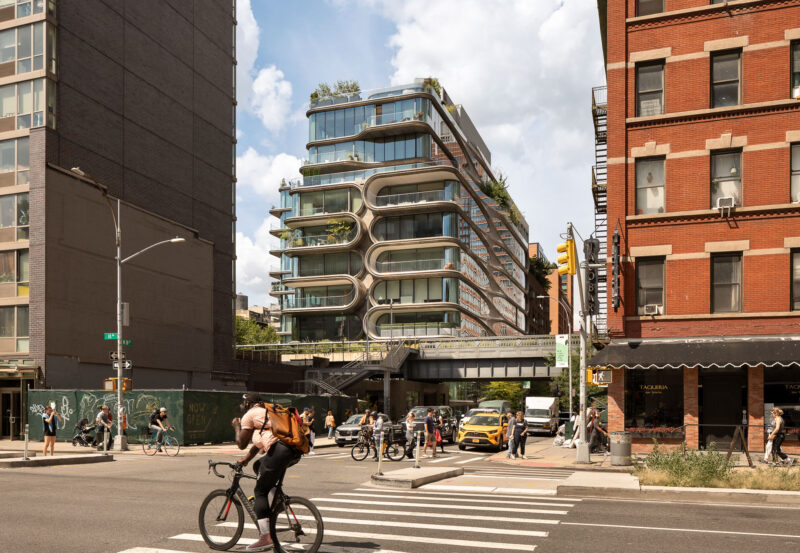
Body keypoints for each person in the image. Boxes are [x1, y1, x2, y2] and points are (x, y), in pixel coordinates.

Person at [233, 392, 300, 551]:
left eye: (244, 404)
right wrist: (246, 460)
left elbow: (241, 443)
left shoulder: (249, 415)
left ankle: (265, 537)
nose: (243, 406)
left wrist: (236, 427)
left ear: (248, 403)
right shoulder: (266, 413)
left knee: (260, 491)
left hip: (279, 451)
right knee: (258, 467)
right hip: (293, 451)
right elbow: (258, 444)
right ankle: (276, 498)